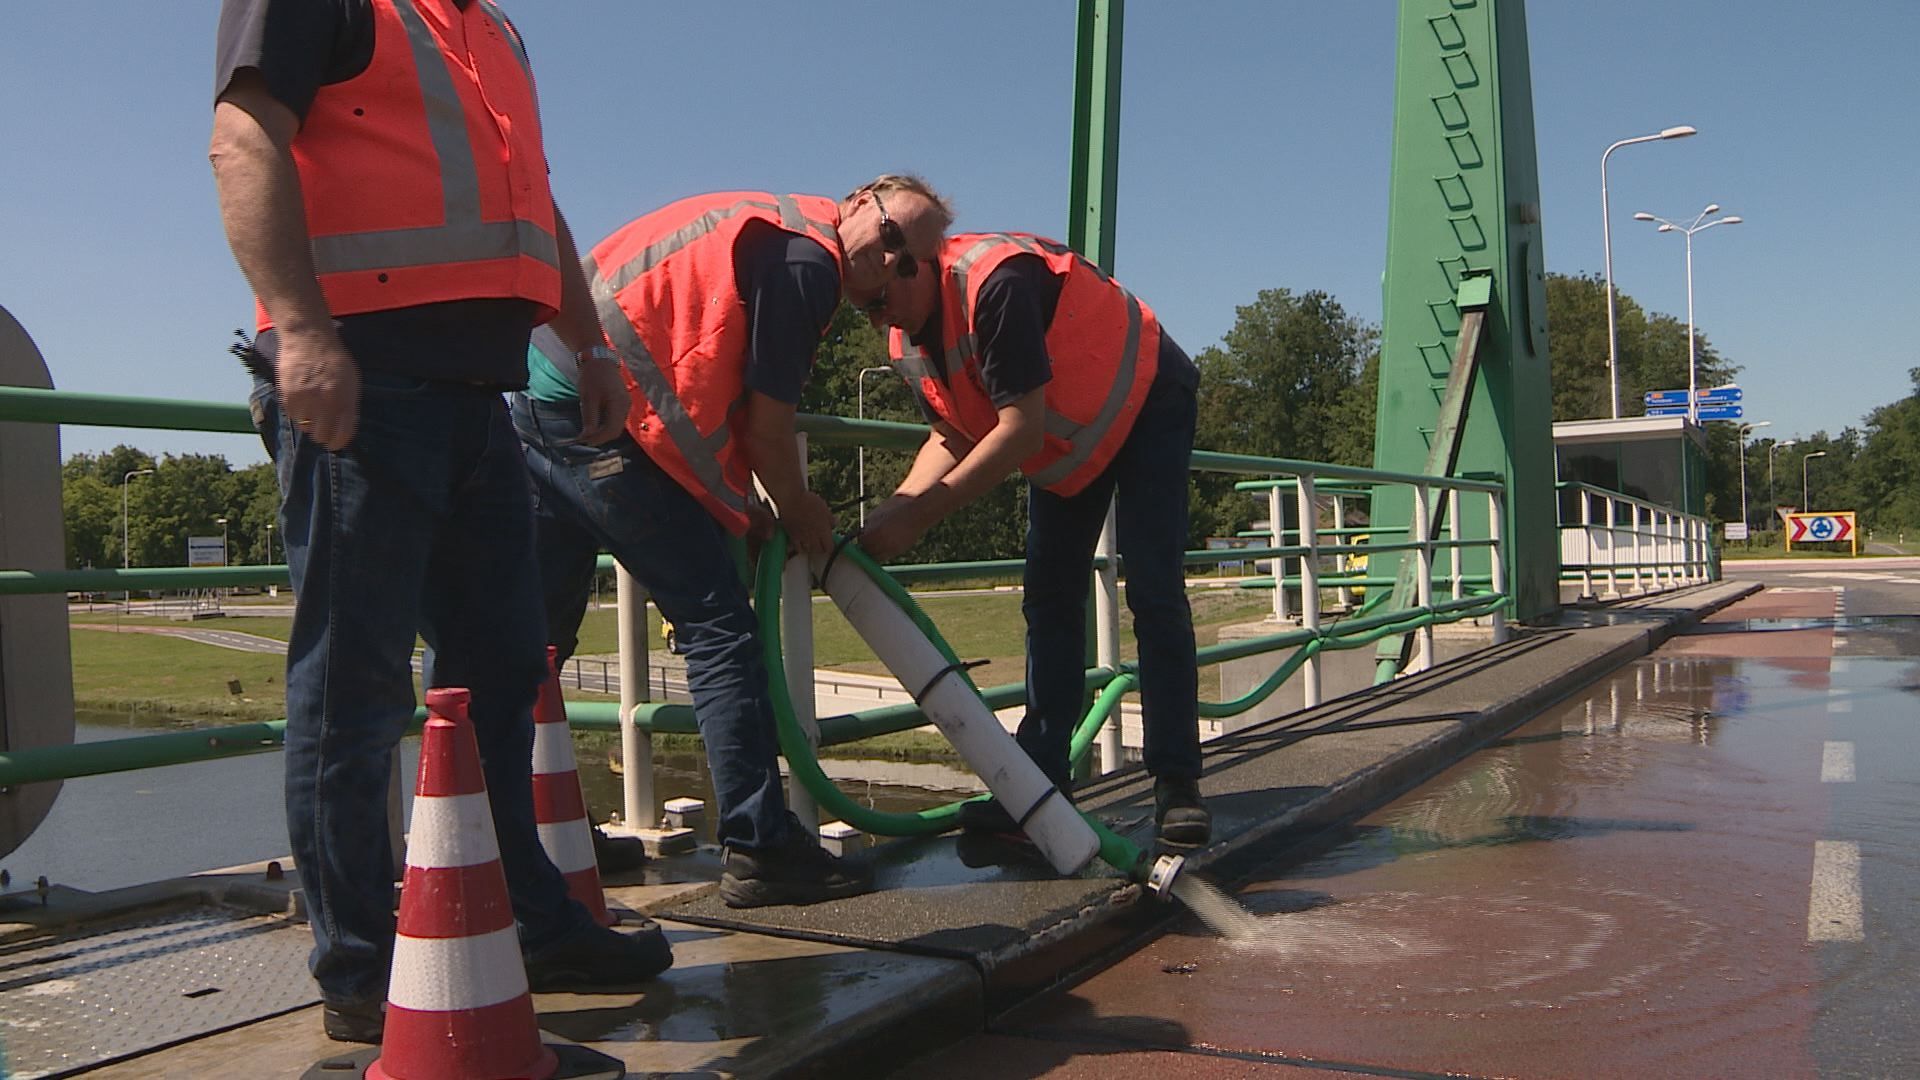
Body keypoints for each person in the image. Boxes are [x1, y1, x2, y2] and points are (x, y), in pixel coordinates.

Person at [210, 0, 672, 1045]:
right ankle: (368, 970)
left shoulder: (486, 32)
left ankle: (529, 925)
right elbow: (242, 138)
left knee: (506, 672)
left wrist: (588, 345)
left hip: (478, 396)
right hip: (365, 383)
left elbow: (530, 203)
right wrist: (305, 334)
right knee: (354, 689)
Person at [518, 178, 951, 907]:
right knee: (719, 626)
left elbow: (703, 388)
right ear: (860, 202)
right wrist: (798, 506)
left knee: (537, 644)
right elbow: (766, 429)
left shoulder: (775, 229)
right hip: (600, 409)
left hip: (542, 395)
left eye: (910, 264)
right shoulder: (804, 267)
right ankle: (759, 848)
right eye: (892, 237)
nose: (891, 263)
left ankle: (545, 839)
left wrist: (738, 509)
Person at [858, 232, 1211, 847]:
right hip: (1074, 432)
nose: (876, 317)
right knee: (1049, 596)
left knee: (1154, 589)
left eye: (879, 299)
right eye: (863, 308)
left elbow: (1018, 432)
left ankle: (1177, 784)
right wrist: (895, 507)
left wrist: (919, 518)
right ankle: (1038, 784)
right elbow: (951, 433)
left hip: (1149, 395)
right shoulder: (905, 338)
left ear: (911, 265)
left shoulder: (998, 281)